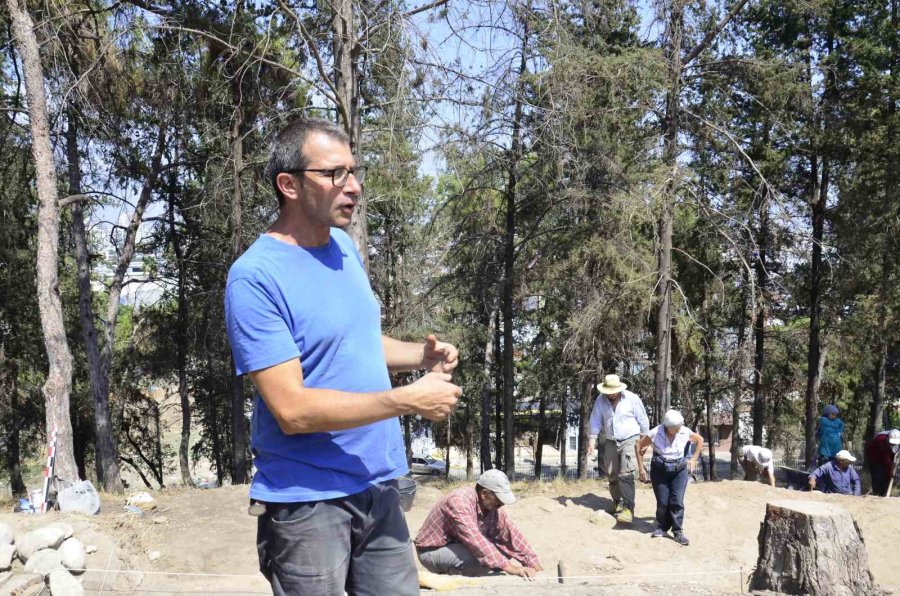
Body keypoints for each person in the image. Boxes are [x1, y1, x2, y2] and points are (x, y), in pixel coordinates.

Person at [224, 118, 462, 596]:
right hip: (308, 501)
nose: (352, 186)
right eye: (334, 174)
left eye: (353, 171)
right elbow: (291, 410)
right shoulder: (254, 278)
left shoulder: (344, 251)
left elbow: (355, 341)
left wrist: (421, 354)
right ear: (288, 185)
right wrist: (408, 401)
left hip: (378, 487)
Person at [414, 469, 542, 579]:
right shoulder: (459, 501)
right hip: (431, 551)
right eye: (498, 499)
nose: (501, 504)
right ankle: (452, 577)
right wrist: (512, 568)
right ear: (484, 494)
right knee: (479, 557)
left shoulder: (493, 508)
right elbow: (474, 538)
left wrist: (534, 565)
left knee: (503, 552)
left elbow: (512, 536)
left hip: (456, 545)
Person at [587, 374, 650, 524]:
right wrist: (592, 440)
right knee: (611, 473)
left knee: (626, 473)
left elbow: (643, 419)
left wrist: (644, 440)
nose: (611, 395)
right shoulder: (600, 400)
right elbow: (595, 419)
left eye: (613, 391)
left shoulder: (632, 398)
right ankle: (617, 501)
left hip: (630, 439)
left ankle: (628, 508)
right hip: (610, 440)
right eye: (608, 392)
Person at [636, 410, 704, 546]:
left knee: (677, 501)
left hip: (679, 470)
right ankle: (662, 527)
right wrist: (641, 468)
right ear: (668, 427)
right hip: (660, 470)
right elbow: (638, 445)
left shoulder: (684, 431)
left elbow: (700, 440)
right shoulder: (656, 432)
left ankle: (678, 531)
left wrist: (693, 459)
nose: (679, 429)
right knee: (662, 502)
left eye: (680, 426)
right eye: (676, 428)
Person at [865, 429, 900, 496]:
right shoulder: (881, 440)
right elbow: (886, 459)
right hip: (874, 456)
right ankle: (877, 492)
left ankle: (884, 492)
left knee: (887, 476)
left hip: (887, 455)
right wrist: (891, 472)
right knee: (878, 474)